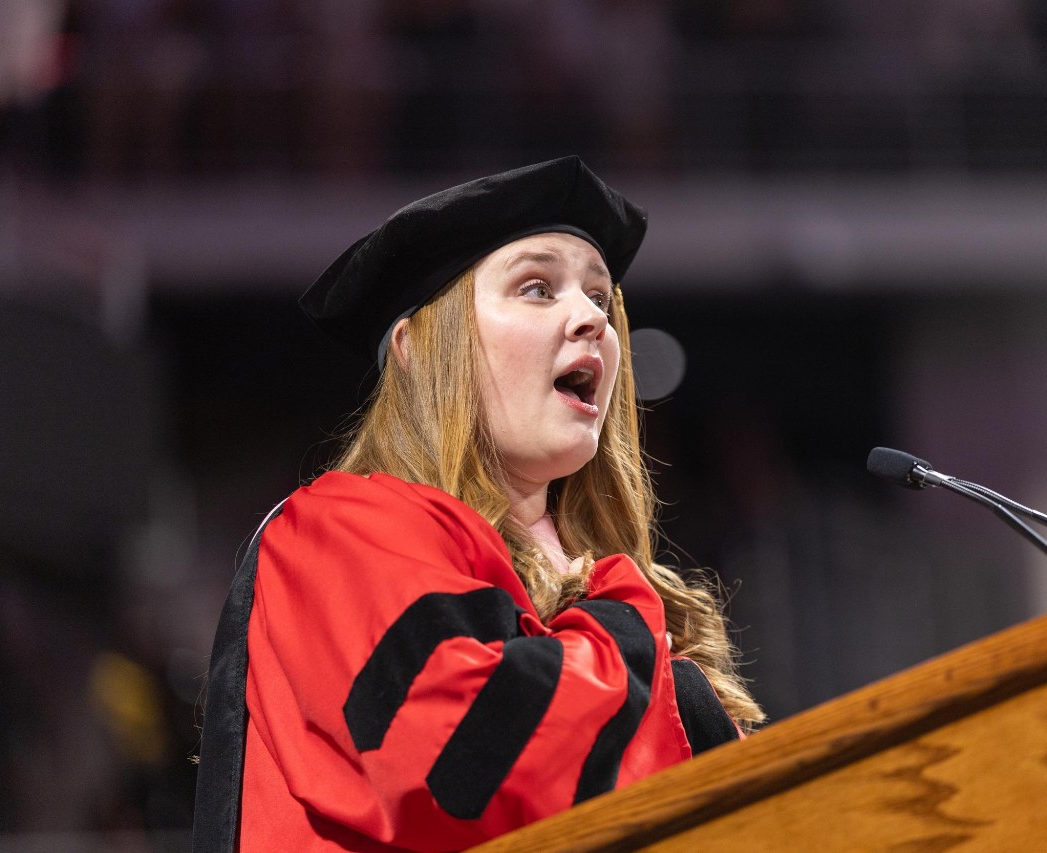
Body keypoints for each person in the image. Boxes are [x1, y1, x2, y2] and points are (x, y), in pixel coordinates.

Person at [193, 157, 764, 852]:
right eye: (536, 287)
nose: (590, 318)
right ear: (414, 346)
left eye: (598, 296)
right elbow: (469, 767)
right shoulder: (336, 532)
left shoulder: (610, 597)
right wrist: (621, 622)